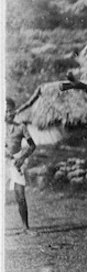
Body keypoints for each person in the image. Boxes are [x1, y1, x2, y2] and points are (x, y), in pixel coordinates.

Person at [5, 98, 37, 233]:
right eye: (5, 111)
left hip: (15, 163)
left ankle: (25, 227)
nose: (7, 113)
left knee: (20, 196)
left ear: (14, 111)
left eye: (10, 110)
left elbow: (32, 145)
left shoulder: (21, 127)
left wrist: (22, 158)